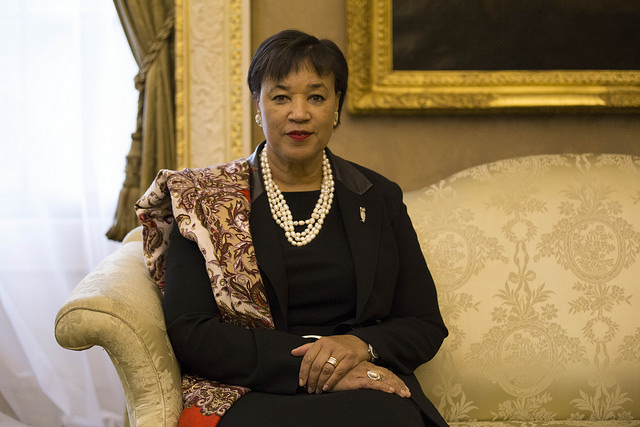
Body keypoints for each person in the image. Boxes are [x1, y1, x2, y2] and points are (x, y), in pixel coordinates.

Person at [135, 29, 448, 427]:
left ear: (337, 105)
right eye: (280, 97)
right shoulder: (202, 200)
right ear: (258, 105)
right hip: (250, 387)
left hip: (362, 386)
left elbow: (422, 322)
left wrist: (356, 347)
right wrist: (325, 369)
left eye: (316, 97)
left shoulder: (378, 196)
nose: (299, 113)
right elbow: (192, 331)